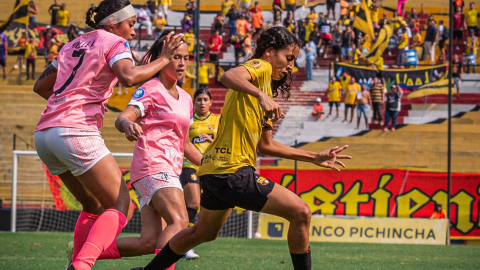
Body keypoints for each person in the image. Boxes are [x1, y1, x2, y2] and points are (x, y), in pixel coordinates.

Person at [130, 26, 351, 270]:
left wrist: (313, 157)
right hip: (231, 170)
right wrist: (260, 95)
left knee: (201, 233)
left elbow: (266, 145)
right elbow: (227, 76)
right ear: (269, 52)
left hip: (215, 171)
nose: (291, 66)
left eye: (294, 61)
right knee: (301, 212)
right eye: (288, 58)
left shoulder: (264, 89)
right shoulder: (261, 67)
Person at [32, 1, 184, 269]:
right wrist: (163, 59)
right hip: (75, 130)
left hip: (45, 134)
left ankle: (75, 263)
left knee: (93, 206)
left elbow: (41, 85)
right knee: (121, 206)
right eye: (131, 24)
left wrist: (67, 103)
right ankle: (82, 265)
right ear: (114, 23)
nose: (133, 31)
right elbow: (127, 77)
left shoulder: (72, 44)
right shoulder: (114, 42)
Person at [111, 32, 202, 267]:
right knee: (180, 221)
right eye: (176, 57)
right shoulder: (151, 88)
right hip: (152, 165)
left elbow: (185, 144)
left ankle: (83, 252)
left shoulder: (186, 98)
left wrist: (211, 165)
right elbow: (123, 117)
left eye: (186, 57)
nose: (182, 63)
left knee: (148, 241)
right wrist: (128, 125)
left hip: (168, 169)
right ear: (162, 58)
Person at [179, 88, 220, 259]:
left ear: (211, 102)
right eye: (199, 100)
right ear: (194, 103)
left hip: (211, 167)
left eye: (205, 99)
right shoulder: (188, 121)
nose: (202, 103)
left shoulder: (218, 120)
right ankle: (186, 246)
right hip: (189, 166)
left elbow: (226, 141)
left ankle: (181, 241)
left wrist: (213, 140)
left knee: (203, 208)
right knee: (194, 203)